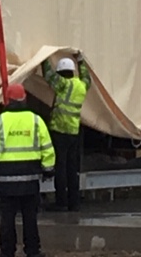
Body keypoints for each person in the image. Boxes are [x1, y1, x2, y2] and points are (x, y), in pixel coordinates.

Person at [0, 83, 55, 257]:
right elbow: (48, 148)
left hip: (6, 181)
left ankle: (7, 251)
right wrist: (48, 169)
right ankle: (33, 251)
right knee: (30, 217)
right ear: (24, 99)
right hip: (30, 179)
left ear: (8, 101)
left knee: (7, 217)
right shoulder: (36, 120)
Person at [41, 52, 91, 212]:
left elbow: (48, 74)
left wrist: (44, 58)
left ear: (61, 72)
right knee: (72, 168)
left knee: (60, 168)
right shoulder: (81, 86)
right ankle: (74, 203)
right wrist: (81, 61)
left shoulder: (62, 84)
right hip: (74, 132)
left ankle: (61, 202)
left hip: (59, 131)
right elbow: (87, 78)